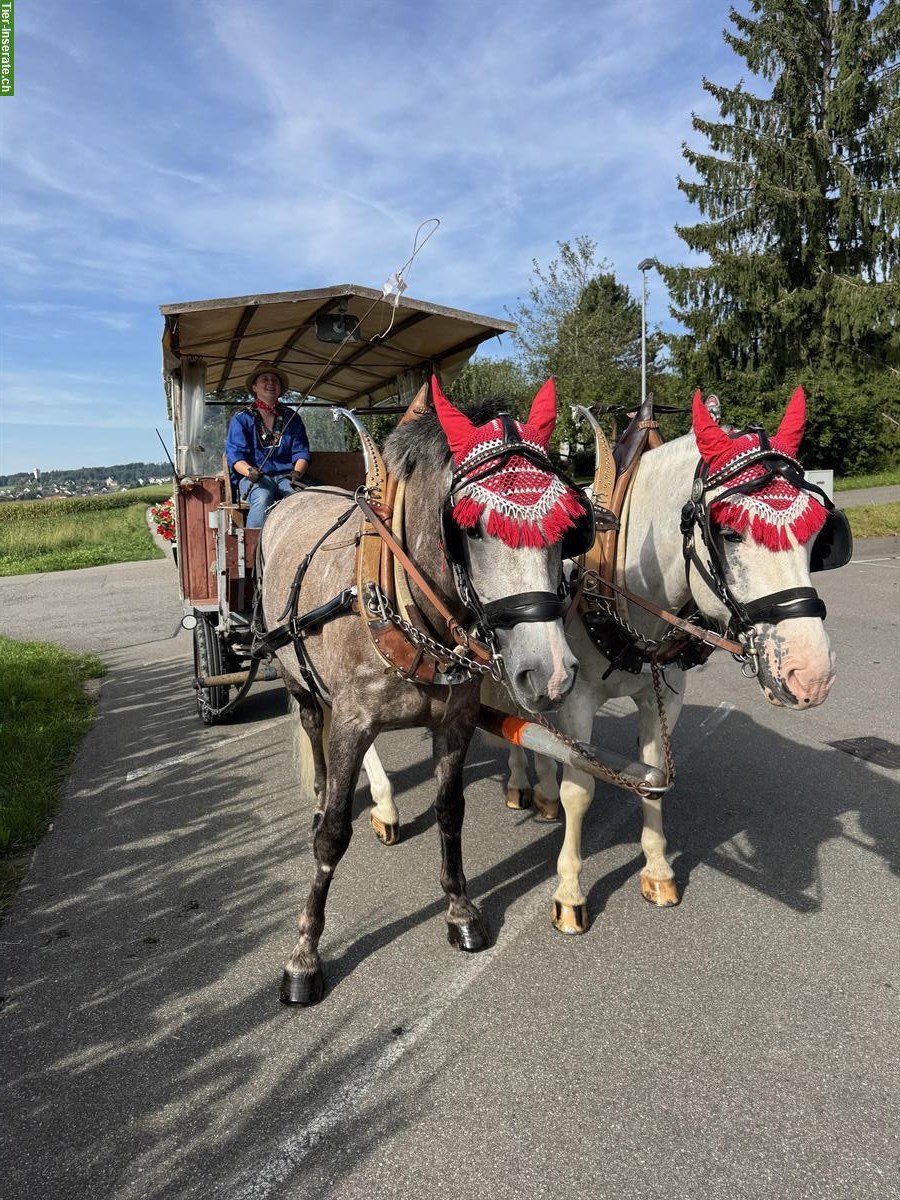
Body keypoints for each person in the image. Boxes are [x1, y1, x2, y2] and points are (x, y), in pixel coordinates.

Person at [225, 362, 311, 528]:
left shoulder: (292, 417)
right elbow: (235, 456)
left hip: (286, 477)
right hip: (255, 478)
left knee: (299, 498)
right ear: (254, 386)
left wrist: (297, 473)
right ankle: (254, 548)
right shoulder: (241, 418)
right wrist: (250, 471)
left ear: (280, 389)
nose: (271, 383)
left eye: (275, 380)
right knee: (263, 496)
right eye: (265, 379)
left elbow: (301, 452)